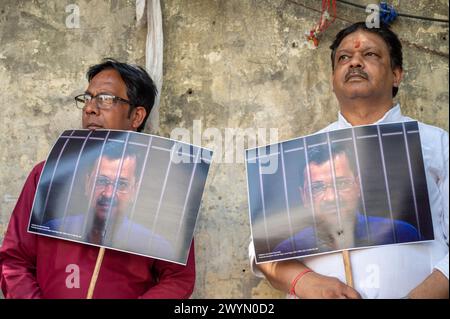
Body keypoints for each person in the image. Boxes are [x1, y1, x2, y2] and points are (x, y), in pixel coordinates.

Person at [249, 22, 448, 299]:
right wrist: (305, 281)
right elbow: (260, 251)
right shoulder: (300, 152)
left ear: (396, 75)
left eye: (370, 55)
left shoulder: (437, 143)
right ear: (333, 78)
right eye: (344, 57)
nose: (355, 61)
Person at [0, 58, 195, 298]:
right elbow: (14, 261)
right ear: (87, 183)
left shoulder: (164, 189)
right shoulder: (47, 176)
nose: (90, 108)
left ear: (136, 116)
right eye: (88, 98)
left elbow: (178, 279)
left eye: (105, 99)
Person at [274, 142, 419, 255]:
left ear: (358, 186)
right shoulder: (287, 250)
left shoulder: (401, 234)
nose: (332, 197)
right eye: (317, 188)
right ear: (304, 197)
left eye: (342, 183)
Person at [41, 142, 174, 260]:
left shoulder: (156, 248)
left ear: (134, 191)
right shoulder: (53, 230)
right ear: (88, 184)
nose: (108, 193)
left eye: (121, 185)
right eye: (101, 181)